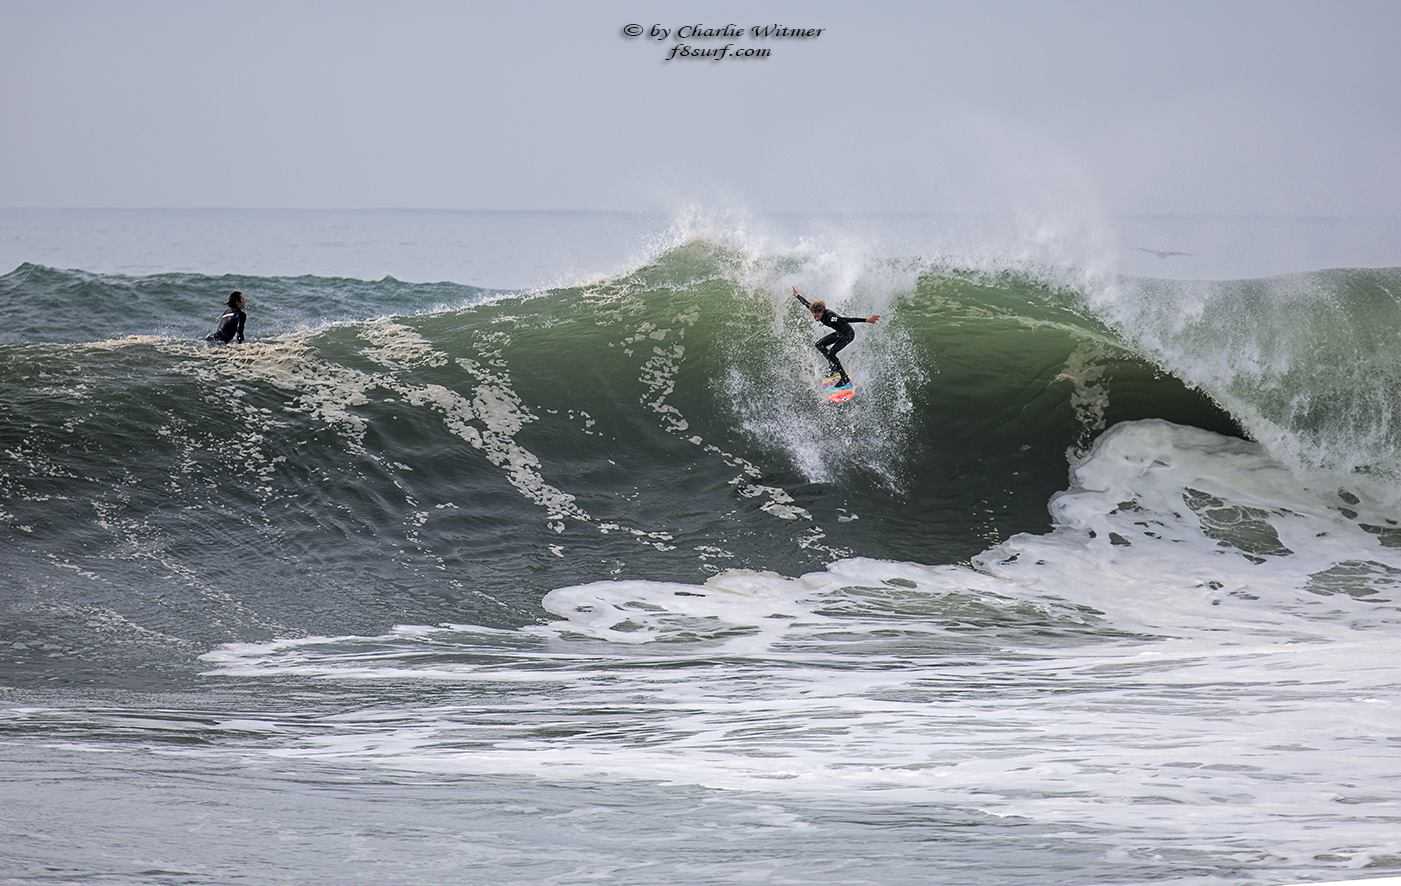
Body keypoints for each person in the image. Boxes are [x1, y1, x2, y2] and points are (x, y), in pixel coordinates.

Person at [792, 286, 879, 386]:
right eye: (814, 315)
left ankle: (844, 378)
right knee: (819, 345)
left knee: (831, 354)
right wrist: (797, 295)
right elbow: (806, 303)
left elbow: (845, 319)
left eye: (817, 315)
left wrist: (866, 320)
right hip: (839, 333)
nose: (815, 318)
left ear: (822, 311)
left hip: (848, 335)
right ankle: (833, 367)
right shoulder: (815, 310)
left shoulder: (831, 317)